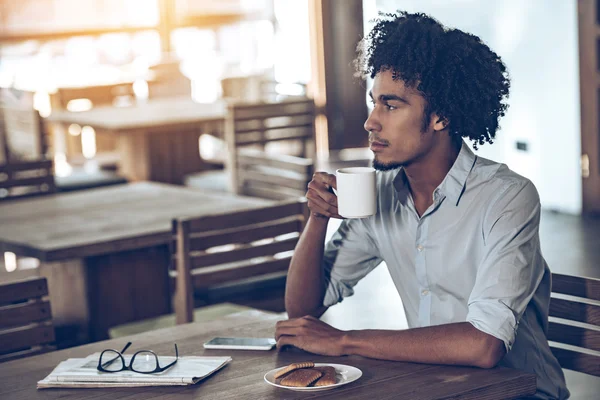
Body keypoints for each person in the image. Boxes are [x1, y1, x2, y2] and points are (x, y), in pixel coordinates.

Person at [275, 11, 569, 400]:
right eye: (373, 102)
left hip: (521, 394)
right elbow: (303, 310)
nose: (371, 122)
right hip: (436, 389)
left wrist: (345, 339)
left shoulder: (507, 197)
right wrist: (317, 218)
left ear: (441, 116)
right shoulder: (378, 194)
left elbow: (483, 345)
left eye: (391, 106)